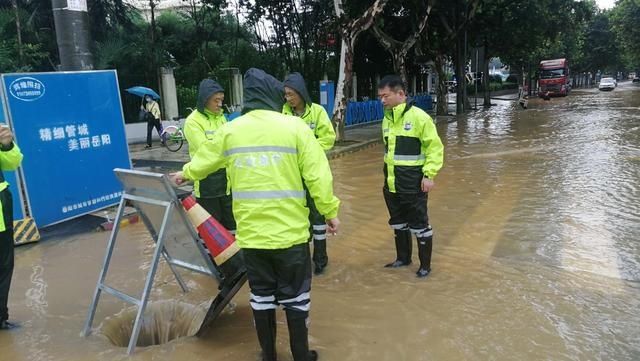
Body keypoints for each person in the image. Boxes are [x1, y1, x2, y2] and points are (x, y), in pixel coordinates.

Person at [170, 68, 340, 361]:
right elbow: (318, 175)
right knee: (296, 297)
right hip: (291, 235)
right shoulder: (295, 127)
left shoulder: (231, 129)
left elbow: (204, 160)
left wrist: (184, 174)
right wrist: (329, 211)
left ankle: (268, 354)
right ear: (274, 95)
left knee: (261, 297)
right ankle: (301, 354)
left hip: (252, 238)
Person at [377, 75, 444, 278]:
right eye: (380, 97)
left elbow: (435, 148)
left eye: (385, 96)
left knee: (420, 224)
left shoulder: (419, 117)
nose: (382, 100)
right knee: (398, 222)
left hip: (413, 183)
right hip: (391, 183)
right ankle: (403, 259)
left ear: (401, 94)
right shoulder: (386, 119)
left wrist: (429, 175)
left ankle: (425, 266)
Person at [283, 72, 336, 275]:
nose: (288, 98)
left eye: (291, 94)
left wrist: (308, 152)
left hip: (314, 174)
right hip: (292, 176)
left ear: (301, 93)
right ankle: (301, 260)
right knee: (298, 218)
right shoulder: (282, 114)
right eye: (285, 94)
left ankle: (321, 261)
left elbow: (329, 138)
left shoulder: (318, 112)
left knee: (319, 219)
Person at [183, 79, 236, 233]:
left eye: (221, 100)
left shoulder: (221, 117)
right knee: (212, 232)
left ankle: (237, 258)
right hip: (206, 183)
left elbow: (230, 143)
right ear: (205, 99)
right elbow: (205, 151)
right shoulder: (193, 121)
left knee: (233, 229)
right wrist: (226, 153)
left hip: (228, 183)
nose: (220, 104)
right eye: (216, 100)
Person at [0, 126, 24, 330]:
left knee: (4, 267)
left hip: (1, 215)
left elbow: (12, 163)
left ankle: (0, 317)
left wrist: (6, 144)